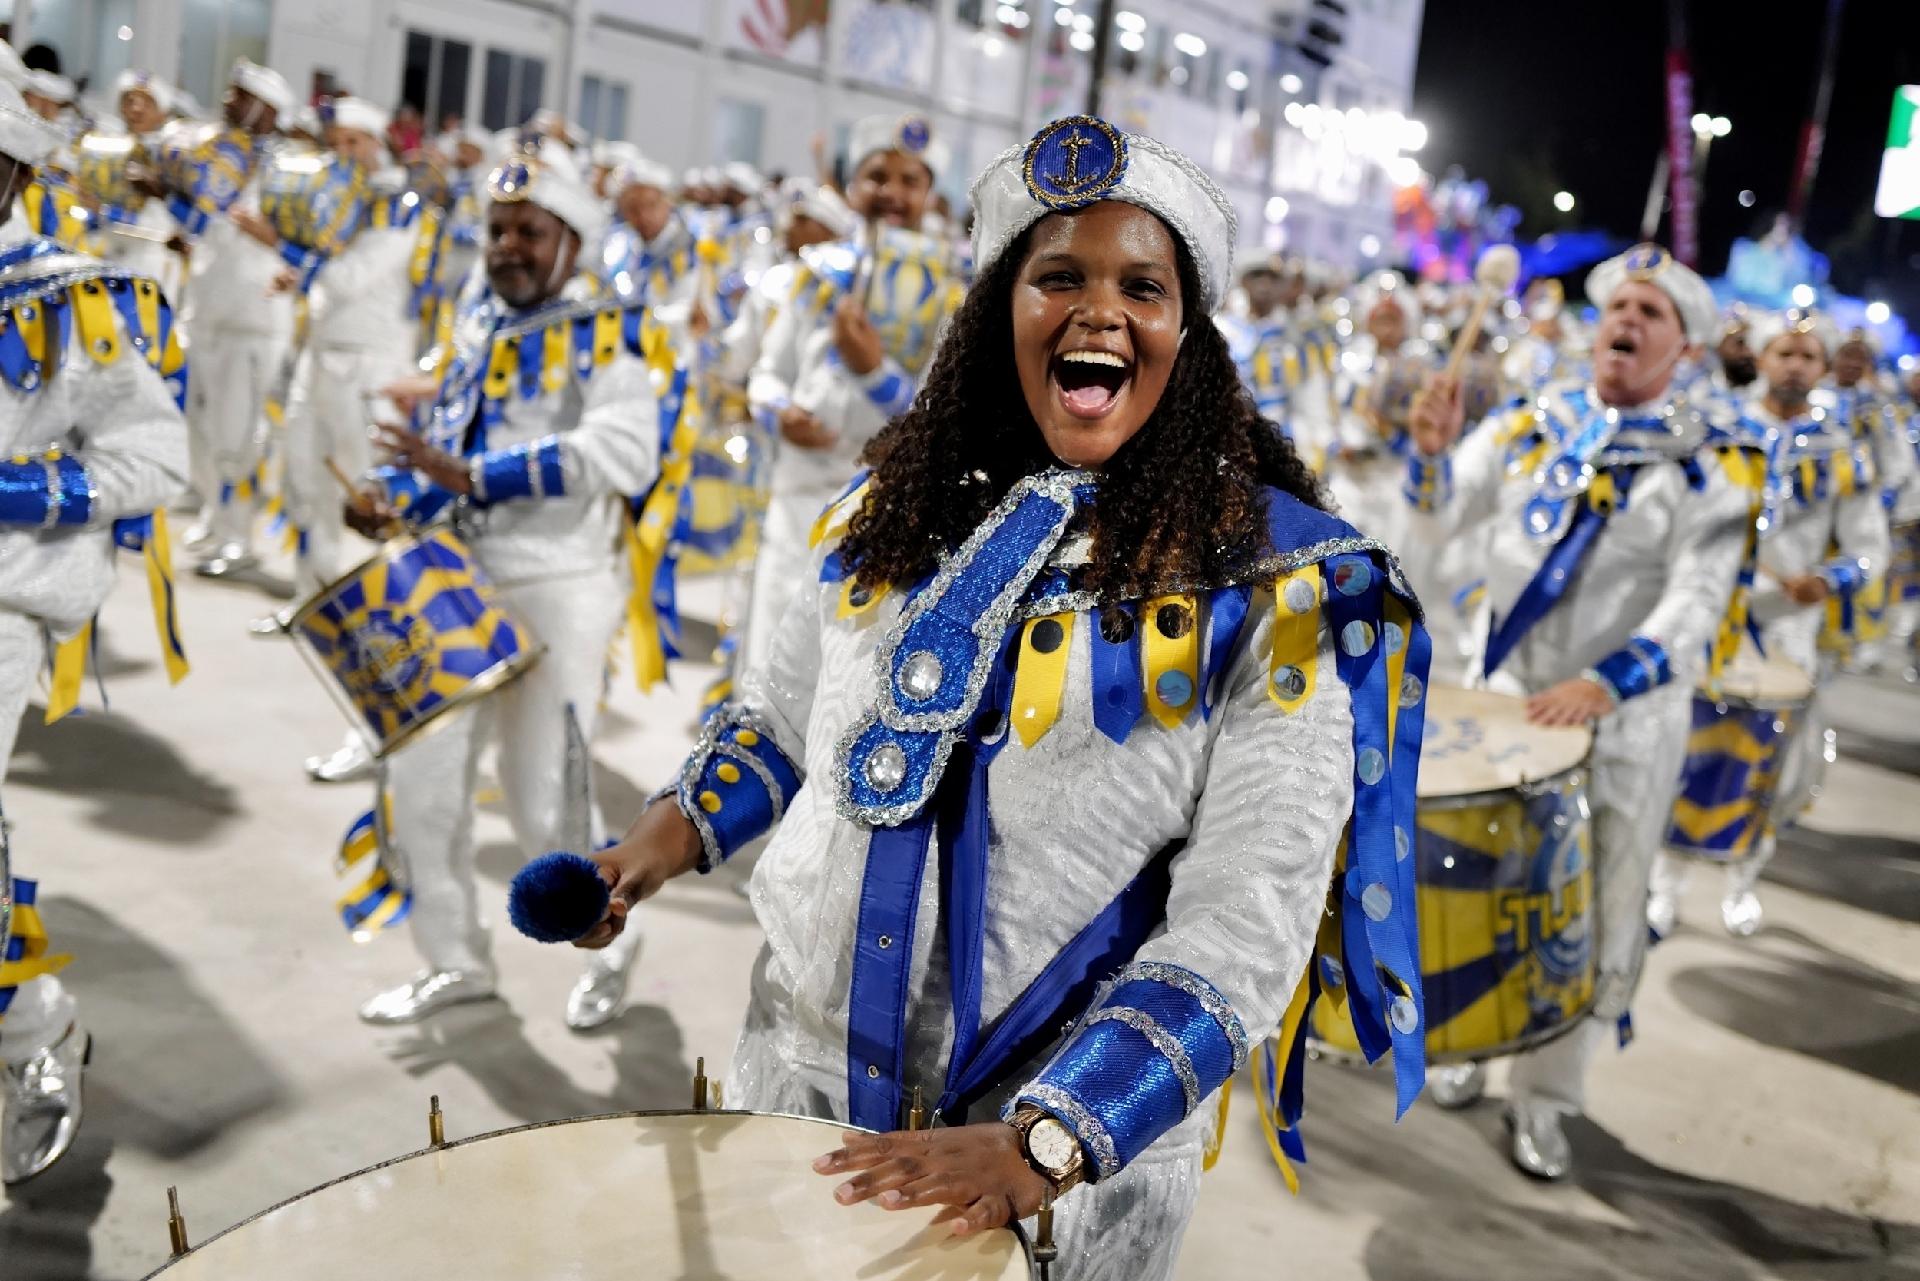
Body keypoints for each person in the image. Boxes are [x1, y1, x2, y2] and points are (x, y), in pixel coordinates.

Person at [573, 115, 1429, 1281]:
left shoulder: (1284, 593)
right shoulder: (887, 512)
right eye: (1057, 276)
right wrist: (654, 847)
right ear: (999, 312)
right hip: (799, 1073)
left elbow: (1250, 913)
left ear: (1189, 332)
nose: (1099, 311)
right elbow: (779, 723)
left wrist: (1054, 1137)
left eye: (1144, 286)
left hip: (1052, 1155)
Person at [1401, 244, 1765, 1180]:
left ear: (1681, 348)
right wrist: (1433, 459)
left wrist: (1607, 682)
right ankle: (1475, 1045)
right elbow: (1440, 526)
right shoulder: (1534, 423)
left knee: (1592, 905)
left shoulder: (1714, 464)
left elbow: (1698, 602)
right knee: (1491, 885)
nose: (1627, 321)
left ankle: (1548, 1097)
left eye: (1651, 312)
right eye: (1620, 306)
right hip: (1509, 713)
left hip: (1622, 725)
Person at [342, 142, 662, 1028]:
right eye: (497, 230)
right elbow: (447, 447)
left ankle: (611, 939)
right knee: (423, 783)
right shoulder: (475, 323)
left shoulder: (612, 328)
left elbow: (626, 451)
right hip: (452, 576)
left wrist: (474, 472)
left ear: (572, 242)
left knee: (544, 800)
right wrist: (395, 499)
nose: (508, 246)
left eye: (530, 230)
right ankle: (455, 959)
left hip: (558, 585)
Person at [0, 77, 190, 1183]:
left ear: (16, 176)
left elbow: (158, 460)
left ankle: (33, 1036)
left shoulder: (67, 299)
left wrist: (11, 493)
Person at [739, 114, 961, 679]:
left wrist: (874, 374)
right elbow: (766, 373)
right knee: (769, 667)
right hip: (797, 496)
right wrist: (776, 413)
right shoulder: (815, 273)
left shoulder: (953, 289)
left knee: (845, 678)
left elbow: (942, 417)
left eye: (911, 181)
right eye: (876, 176)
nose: (892, 192)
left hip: (884, 506)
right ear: (852, 184)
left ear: (929, 194)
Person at [1713, 313, 1888, 936]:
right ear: (1761, 358)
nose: (1794, 364)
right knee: (1686, 757)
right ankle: (1665, 883)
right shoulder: (1716, 426)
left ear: (1823, 369)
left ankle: (1743, 881)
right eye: (1784, 351)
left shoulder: (1843, 447)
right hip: (1710, 621)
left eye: (1808, 356)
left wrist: (1830, 580)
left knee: (1779, 767)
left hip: (1790, 634)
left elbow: (1871, 549)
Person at [165, 57, 294, 577]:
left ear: (268, 110)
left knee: (239, 432)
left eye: (240, 96)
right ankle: (218, 517)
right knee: (205, 424)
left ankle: (241, 538)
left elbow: (304, 241)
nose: (228, 103)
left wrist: (271, 236)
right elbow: (210, 223)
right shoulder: (223, 156)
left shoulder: (287, 171)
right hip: (210, 306)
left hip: (254, 317)